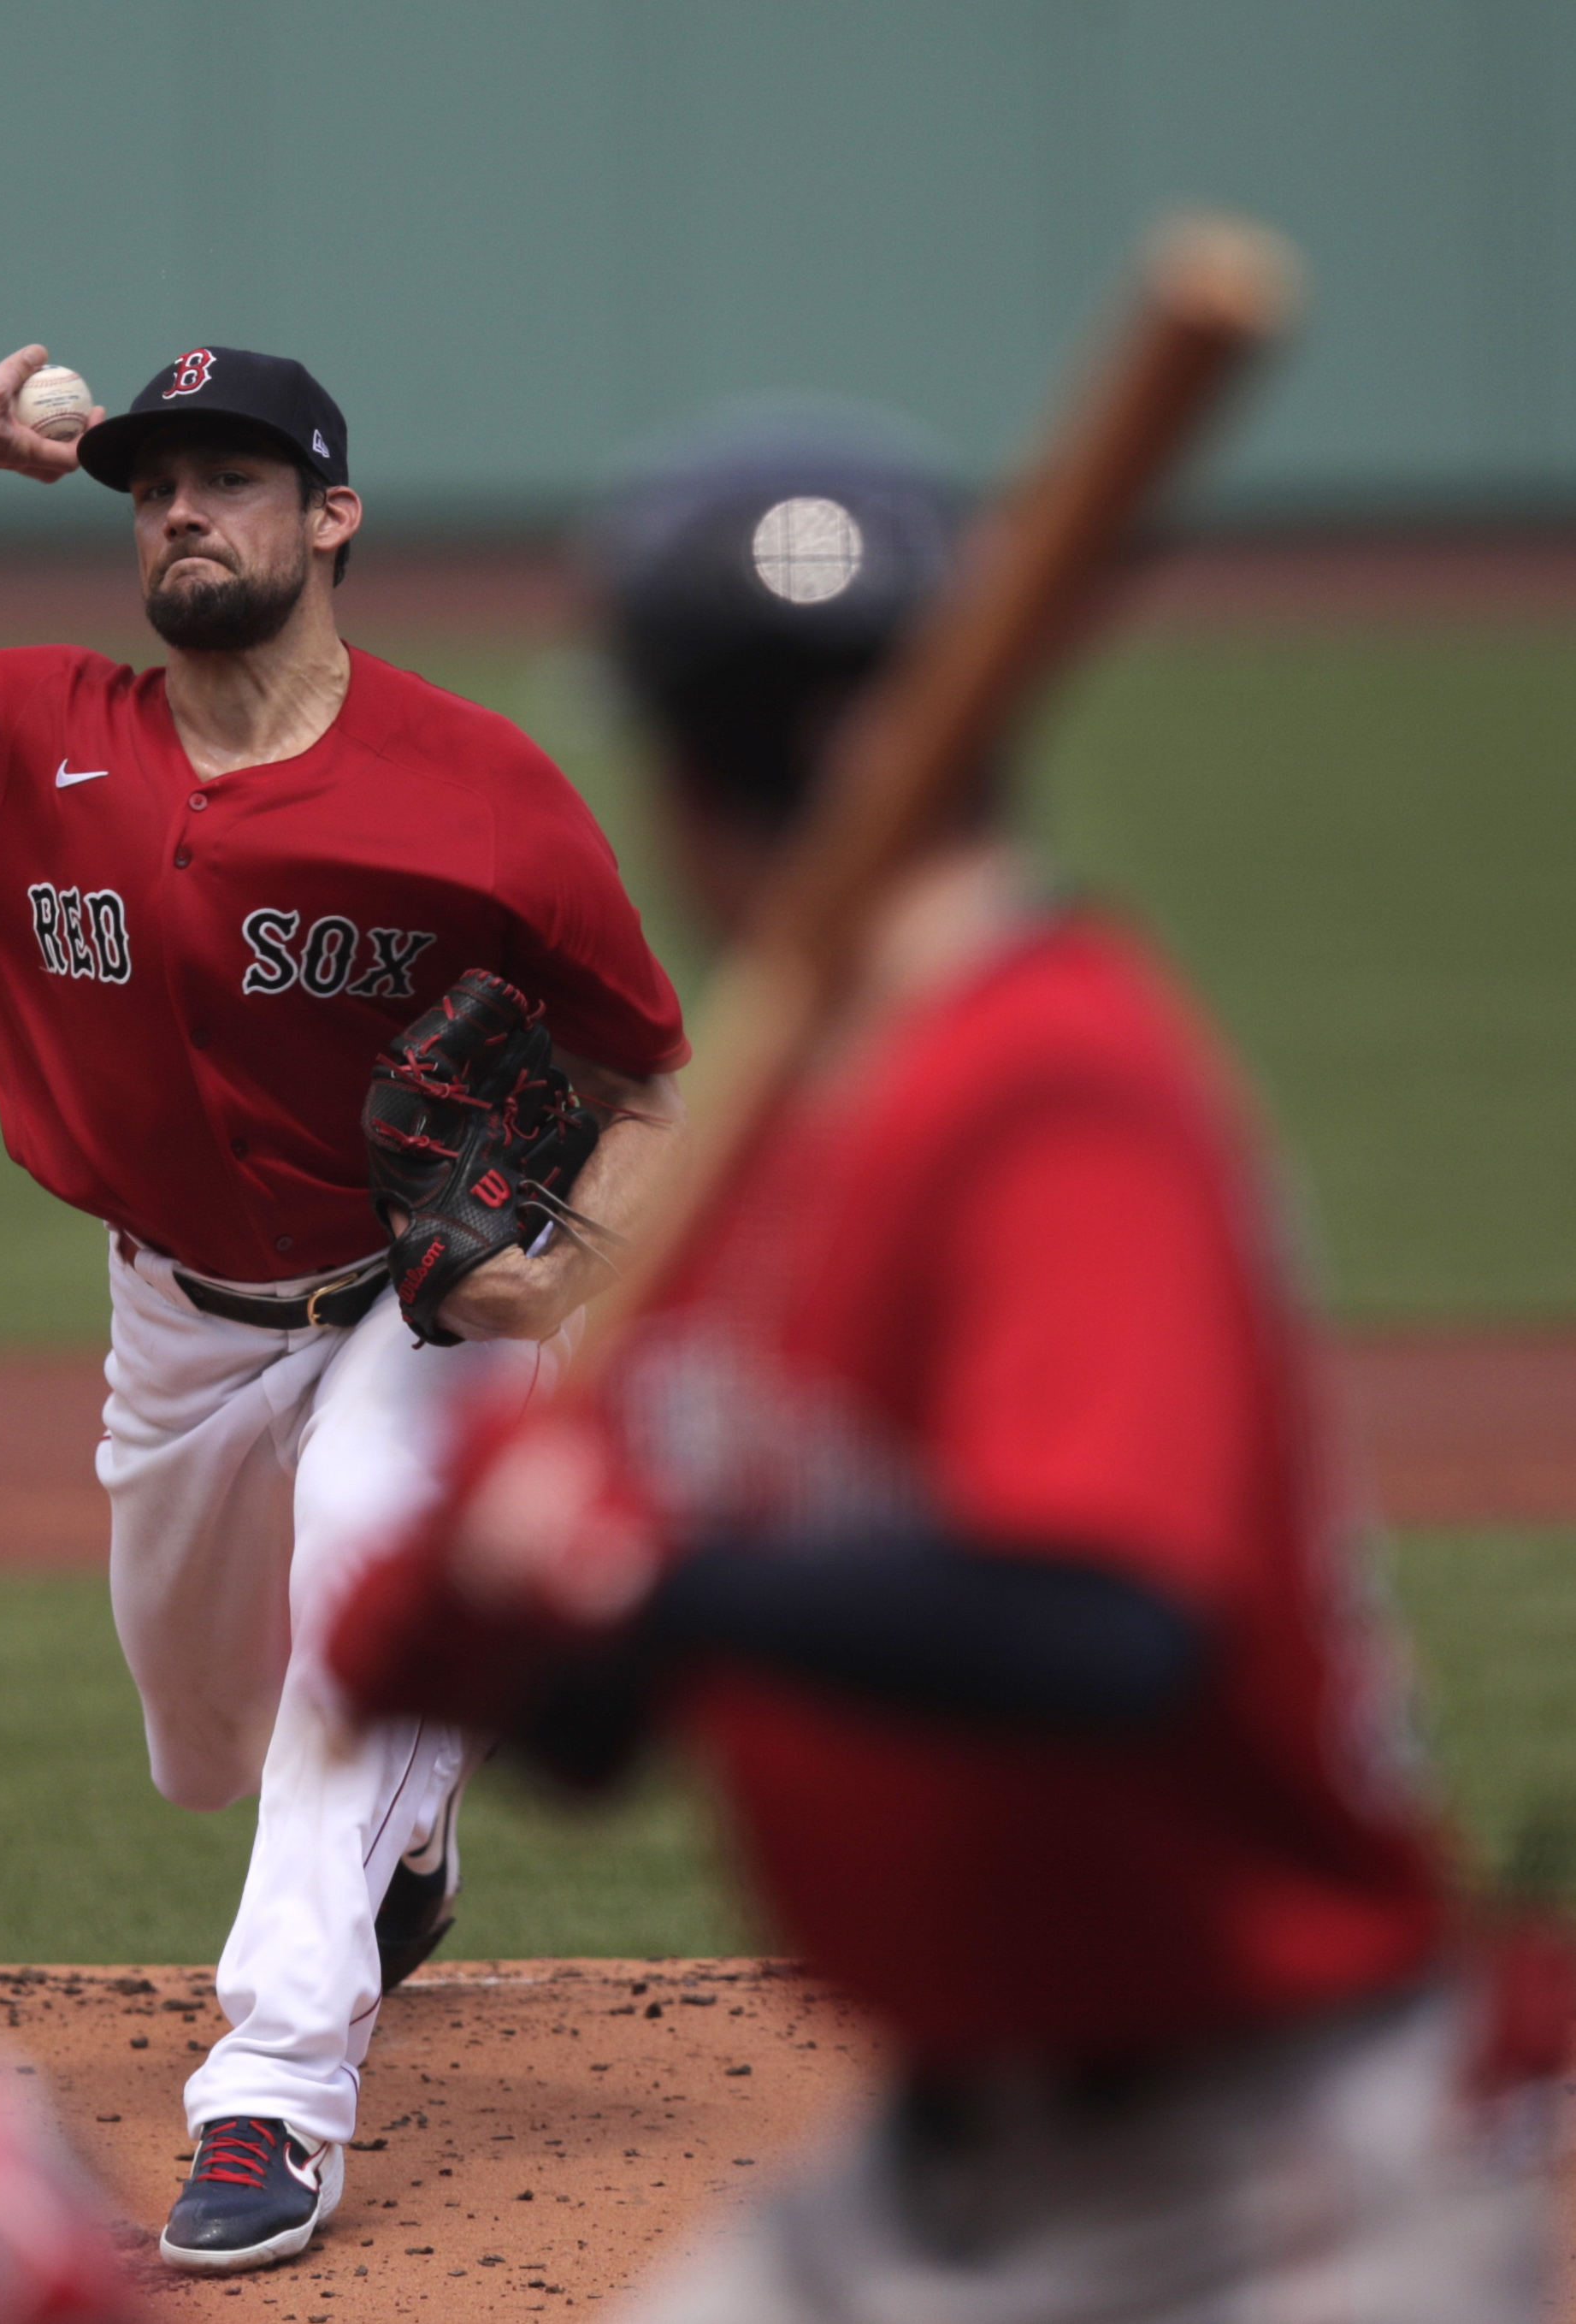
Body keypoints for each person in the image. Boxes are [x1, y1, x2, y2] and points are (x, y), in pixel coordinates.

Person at [327, 407, 1563, 2321]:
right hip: (957, 2154)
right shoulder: (767, 1133)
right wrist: (483, 1611)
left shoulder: (1054, 1082)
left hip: (1280, 2177)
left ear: (689, 782)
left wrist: (648, 1582)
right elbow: (603, 1713)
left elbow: (1101, 1620)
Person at [0, 343, 689, 2273]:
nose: (182, 509)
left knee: (361, 1599)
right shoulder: (15, 738)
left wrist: (567, 1262)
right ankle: (410, 1830)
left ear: (333, 515)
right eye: (152, 484)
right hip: (176, 1325)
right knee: (203, 1739)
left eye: (228, 474)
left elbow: (651, 1098)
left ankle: (274, 2092)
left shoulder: (485, 797)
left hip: (417, 1305)